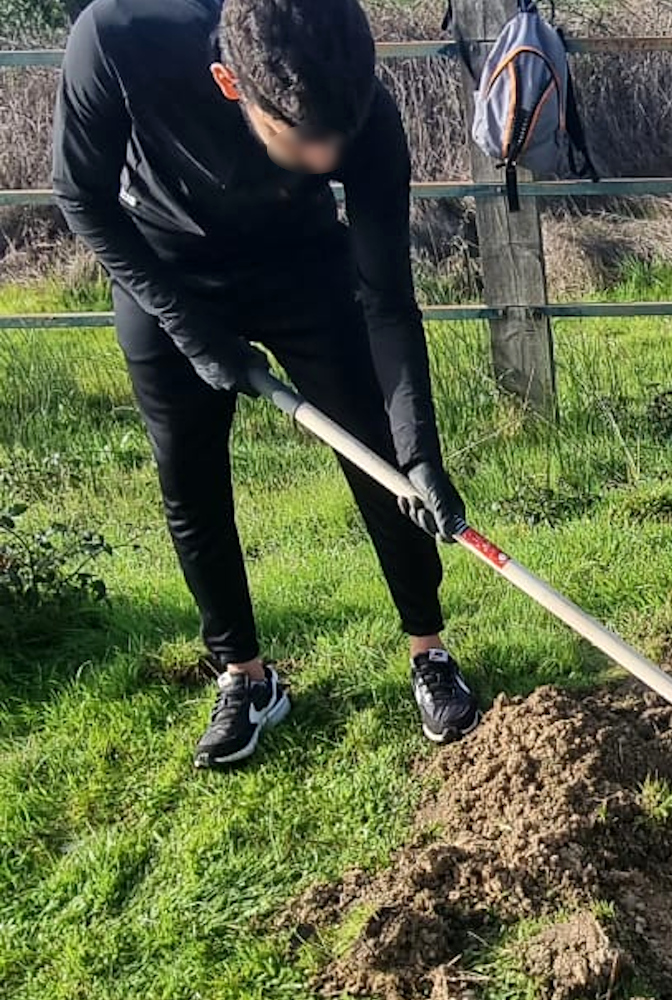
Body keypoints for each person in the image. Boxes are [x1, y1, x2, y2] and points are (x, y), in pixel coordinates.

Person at [52, 0, 482, 768]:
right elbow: (81, 196)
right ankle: (245, 676)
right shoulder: (118, 36)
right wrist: (187, 326)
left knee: (376, 448)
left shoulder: (362, 114)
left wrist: (420, 450)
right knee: (188, 475)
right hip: (165, 262)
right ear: (230, 83)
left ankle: (429, 650)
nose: (329, 156)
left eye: (341, 137)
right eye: (308, 140)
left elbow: (387, 301)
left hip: (301, 262)